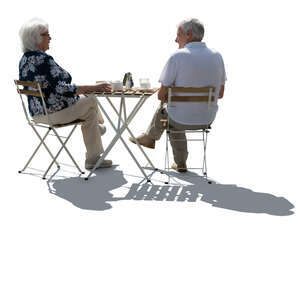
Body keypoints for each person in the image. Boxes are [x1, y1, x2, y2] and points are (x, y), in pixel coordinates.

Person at [130, 18, 226, 172]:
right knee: (174, 113)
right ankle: (175, 159)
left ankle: (155, 140)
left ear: (188, 34)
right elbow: (220, 94)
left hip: (179, 119)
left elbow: (161, 95)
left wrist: (171, 96)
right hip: (206, 118)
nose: (175, 40)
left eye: (178, 35)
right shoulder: (217, 57)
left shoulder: (177, 57)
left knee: (171, 115)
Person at [18, 18, 112, 170]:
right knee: (92, 97)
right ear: (36, 38)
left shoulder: (24, 60)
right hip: (53, 113)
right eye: (46, 34)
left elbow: (52, 88)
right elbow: (61, 89)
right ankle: (99, 128)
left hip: (37, 114)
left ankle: (93, 158)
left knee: (89, 114)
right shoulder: (44, 59)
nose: (50, 37)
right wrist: (93, 87)